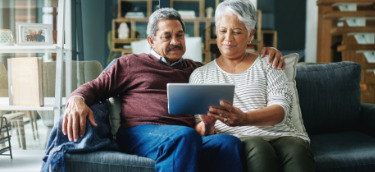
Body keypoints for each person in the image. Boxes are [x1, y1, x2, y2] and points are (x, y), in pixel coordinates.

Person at [62, 8, 283, 172]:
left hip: (186, 137)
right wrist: (77, 99)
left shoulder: (197, 70)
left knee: (227, 143)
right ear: (151, 40)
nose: (175, 41)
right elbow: (94, 87)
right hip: (141, 133)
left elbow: (233, 63)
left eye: (179, 35)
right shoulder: (129, 64)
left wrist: (267, 53)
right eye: (167, 36)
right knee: (184, 136)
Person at [190, 0, 315, 172]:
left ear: (250, 34)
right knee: (259, 148)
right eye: (222, 31)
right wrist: (209, 125)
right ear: (216, 32)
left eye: (236, 32)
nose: (228, 38)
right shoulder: (200, 75)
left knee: (296, 149)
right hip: (241, 138)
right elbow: (198, 127)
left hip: (282, 135)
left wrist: (245, 118)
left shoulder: (268, 63)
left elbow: (281, 109)